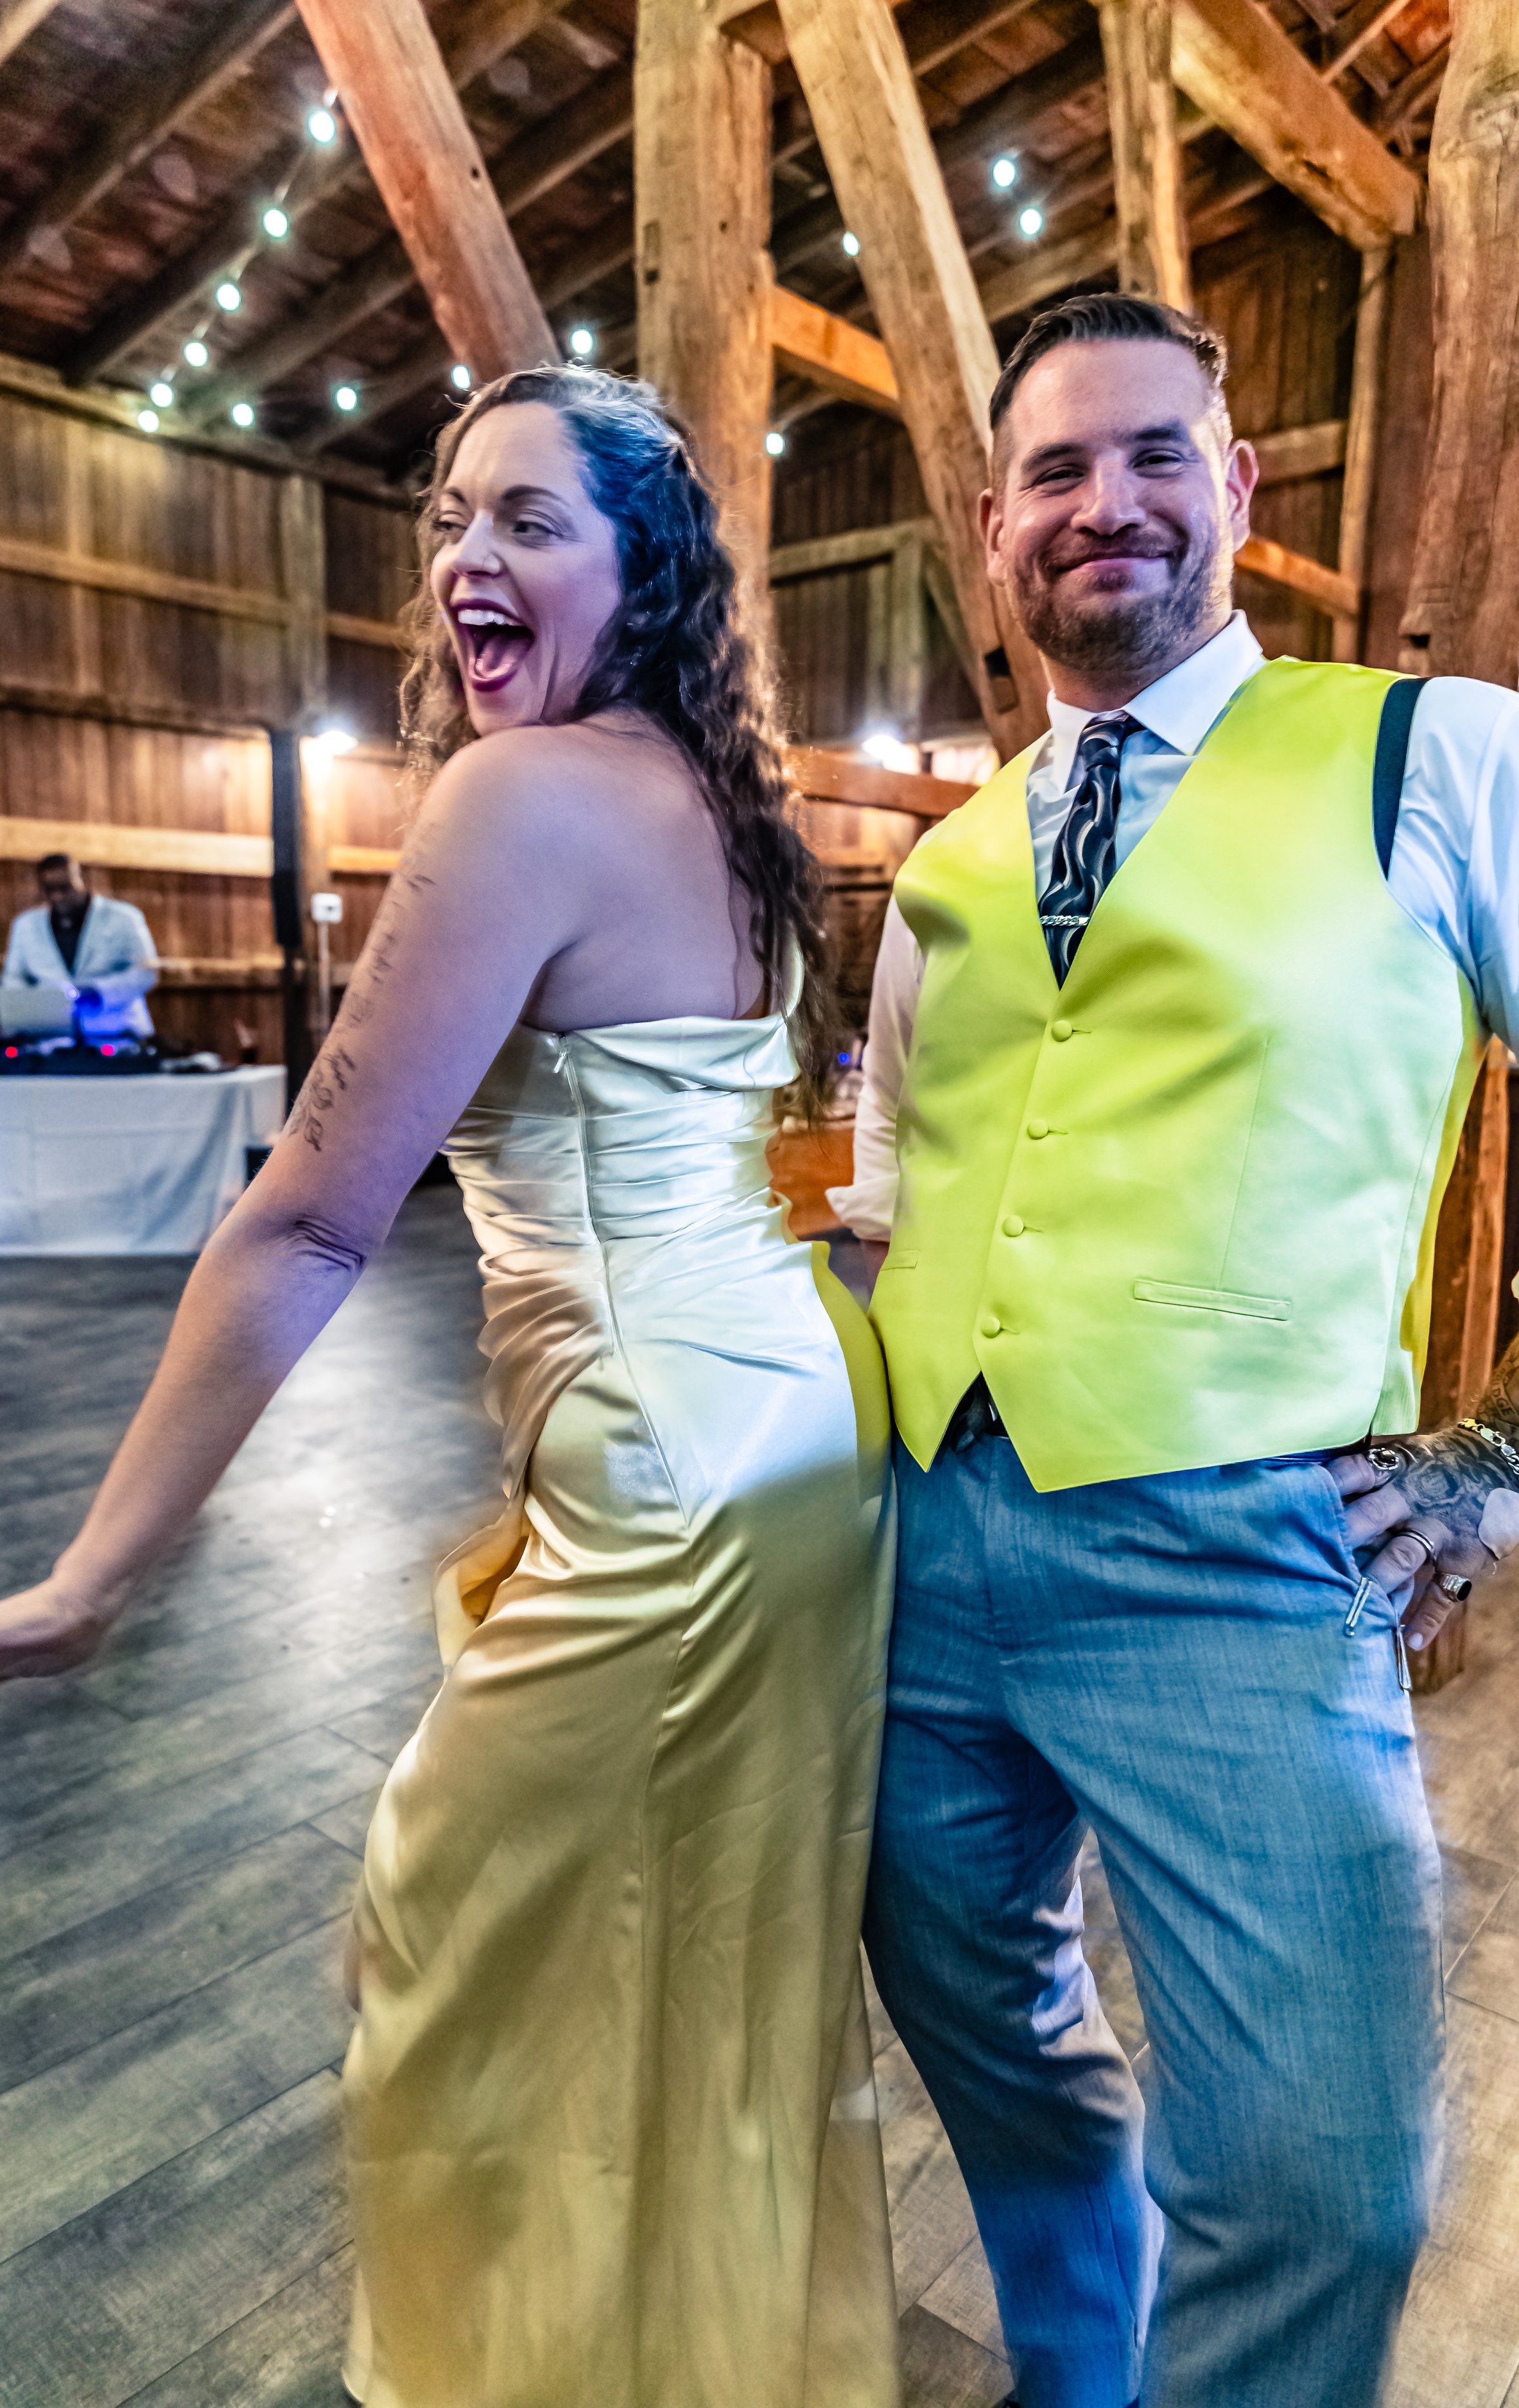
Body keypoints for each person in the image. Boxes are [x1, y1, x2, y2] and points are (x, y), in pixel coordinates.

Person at [0, 367, 900, 2408]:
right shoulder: (720, 803)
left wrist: (91, 1580)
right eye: (450, 516)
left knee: (447, 1939)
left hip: (670, 1477)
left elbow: (305, 1219)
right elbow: (774, 1155)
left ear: (643, 566)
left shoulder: (517, 797)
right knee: (704, 1962)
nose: (466, 556)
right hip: (803, 1437)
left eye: (529, 518)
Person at [845, 292, 1519, 2408]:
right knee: (988, 2034)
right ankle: (1085, 2369)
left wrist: (1501, 1459)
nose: (1103, 501)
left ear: (1232, 487)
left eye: (1153, 453)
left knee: (1328, 2182)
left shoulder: (1436, 753)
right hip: (915, 1550)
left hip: (1237, 1550)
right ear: (992, 528)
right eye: (1052, 469)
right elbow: (889, 1195)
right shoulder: (946, 862)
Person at [0, 853, 159, 1040]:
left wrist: (99, 992)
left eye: (65, 888)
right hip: (54, 1036)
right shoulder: (26, 925)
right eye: (50, 890)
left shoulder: (124, 917)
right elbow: (13, 977)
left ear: (82, 880)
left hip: (118, 1031)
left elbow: (146, 972)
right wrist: (35, 1005)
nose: (58, 896)